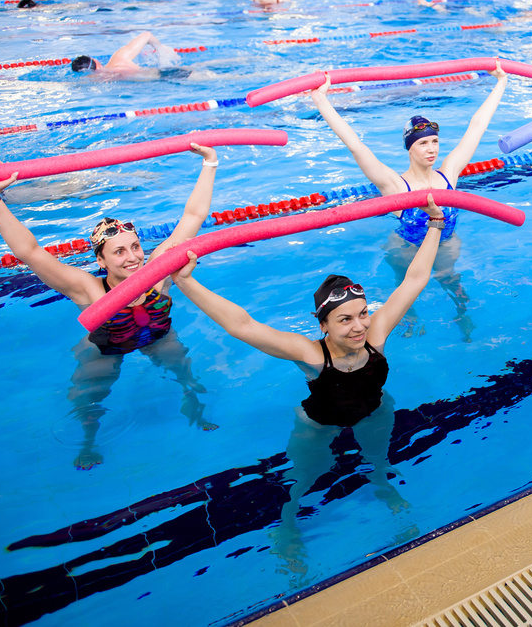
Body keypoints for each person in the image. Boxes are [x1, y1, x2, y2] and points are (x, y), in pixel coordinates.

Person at [170, 194, 445, 566]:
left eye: (362, 314)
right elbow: (242, 325)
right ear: (324, 326)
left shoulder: (376, 335)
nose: (360, 325)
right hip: (318, 425)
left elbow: (415, 279)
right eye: (345, 319)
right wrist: (186, 283)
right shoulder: (312, 354)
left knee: (379, 459)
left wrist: (435, 226)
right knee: (301, 481)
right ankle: (287, 526)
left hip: (375, 411)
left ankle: (383, 486)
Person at [0, 144, 223, 468]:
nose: (134, 257)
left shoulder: (158, 273)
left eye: (135, 246)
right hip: (106, 347)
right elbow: (31, 252)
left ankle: (193, 405)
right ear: (101, 259)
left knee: (186, 375)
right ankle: (88, 442)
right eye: (119, 251)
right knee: (87, 398)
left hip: (158, 336)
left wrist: (210, 162)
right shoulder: (89, 289)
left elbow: (193, 217)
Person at [310, 61, 510, 338]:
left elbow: (477, 126)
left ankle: (463, 319)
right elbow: (355, 145)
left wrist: (501, 81)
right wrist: (320, 98)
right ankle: (411, 320)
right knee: (405, 295)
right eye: (423, 143)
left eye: (435, 142)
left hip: (446, 246)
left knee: (456, 288)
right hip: (406, 250)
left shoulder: (448, 174)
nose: (431, 149)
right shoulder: (395, 185)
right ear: (409, 149)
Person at [70, 30, 181, 78]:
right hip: (165, 74)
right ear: (95, 60)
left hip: (155, 81)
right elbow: (147, 35)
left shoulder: (97, 79)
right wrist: (161, 49)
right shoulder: (119, 58)